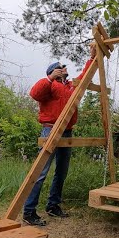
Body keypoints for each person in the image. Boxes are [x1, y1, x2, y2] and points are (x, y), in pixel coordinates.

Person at [22, 43, 97, 226]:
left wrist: (92, 56)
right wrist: (49, 78)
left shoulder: (71, 86)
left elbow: (85, 76)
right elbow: (34, 93)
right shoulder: (49, 86)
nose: (64, 69)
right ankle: (29, 211)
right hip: (50, 129)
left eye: (63, 68)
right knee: (41, 172)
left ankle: (53, 205)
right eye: (59, 68)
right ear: (53, 72)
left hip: (67, 131)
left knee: (61, 171)